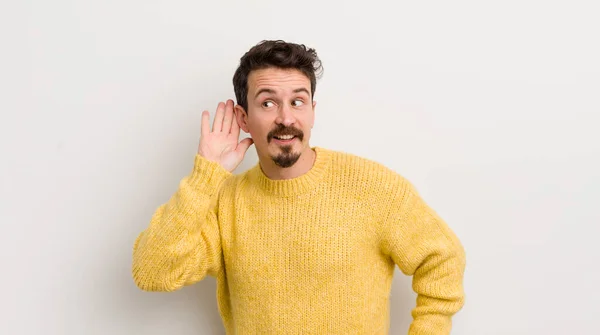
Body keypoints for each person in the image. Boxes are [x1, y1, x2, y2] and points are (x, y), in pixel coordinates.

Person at [132, 40, 466, 334]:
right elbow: (152, 271)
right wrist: (206, 175)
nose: (286, 118)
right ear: (243, 118)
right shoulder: (225, 203)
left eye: (297, 102)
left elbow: (442, 260)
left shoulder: (373, 187)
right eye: (267, 103)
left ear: (312, 112)